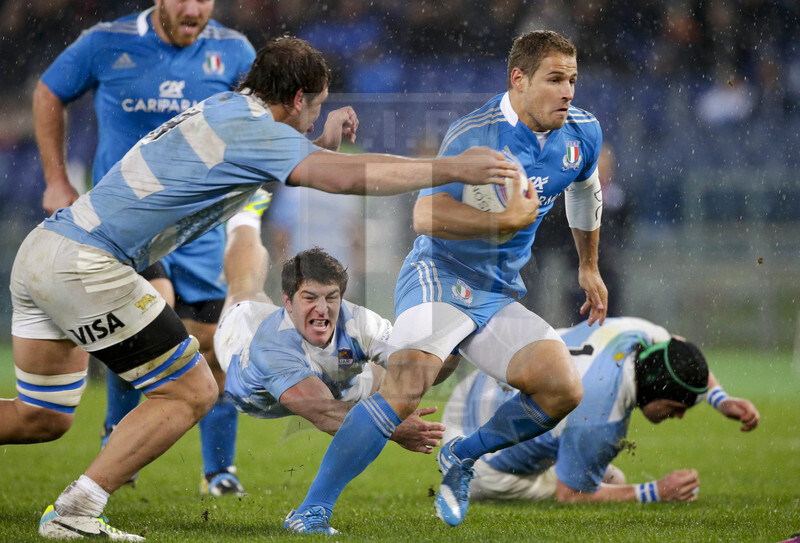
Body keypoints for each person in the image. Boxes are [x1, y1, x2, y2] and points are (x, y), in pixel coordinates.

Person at [6, 36, 518, 541]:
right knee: (192, 391)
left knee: (41, 417)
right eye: (315, 108)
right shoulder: (253, 129)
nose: (315, 119)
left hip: (46, 247)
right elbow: (339, 180)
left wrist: (318, 146)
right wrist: (451, 168)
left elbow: (265, 162)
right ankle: (76, 510)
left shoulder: (227, 110)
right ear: (298, 99)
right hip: (88, 264)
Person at [285, 30, 607, 533]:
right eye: (555, 80)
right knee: (408, 383)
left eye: (572, 80)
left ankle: (461, 454)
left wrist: (588, 265)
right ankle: (311, 510)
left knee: (562, 388)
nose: (567, 92)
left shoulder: (582, 133)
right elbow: (425, 213)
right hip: (442, 275)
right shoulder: (475, 134)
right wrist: (504, 223)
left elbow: (585, 191)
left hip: (499, 292)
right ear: (519, 80)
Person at [32, 0, 257, 496]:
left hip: (200, 227)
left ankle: (219, 470)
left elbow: (259, 126)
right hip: (127, 224)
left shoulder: (234, 52)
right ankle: (119, 437)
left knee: (213, 344)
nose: (194, 7)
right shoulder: (106, 42)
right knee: (147, 320)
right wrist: (56, 178)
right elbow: (49, 91)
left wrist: (248, 207)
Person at [441, 317, 760, 503]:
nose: (679, 416)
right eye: (677, 407)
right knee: (613, 478)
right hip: (481, 461)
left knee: (596, 468)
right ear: (657, 390)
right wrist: (655, 491)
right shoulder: (601, 419)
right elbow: (571, 494)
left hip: (473, 389)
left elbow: (680, 347)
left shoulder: (633, 334)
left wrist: (720, 399)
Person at [214, 220, 447, 453]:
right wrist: (396, 427)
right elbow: (325, 412)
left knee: (385, 370)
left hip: (341, 385)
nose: (322, 308)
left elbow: (420, 367)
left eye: (331, 297)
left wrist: (454, 337)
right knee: (246, 288)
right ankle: (245, 217)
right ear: (288, 301)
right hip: (246, 371)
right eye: (310, 298)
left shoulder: (360, 322)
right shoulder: (270, 347)